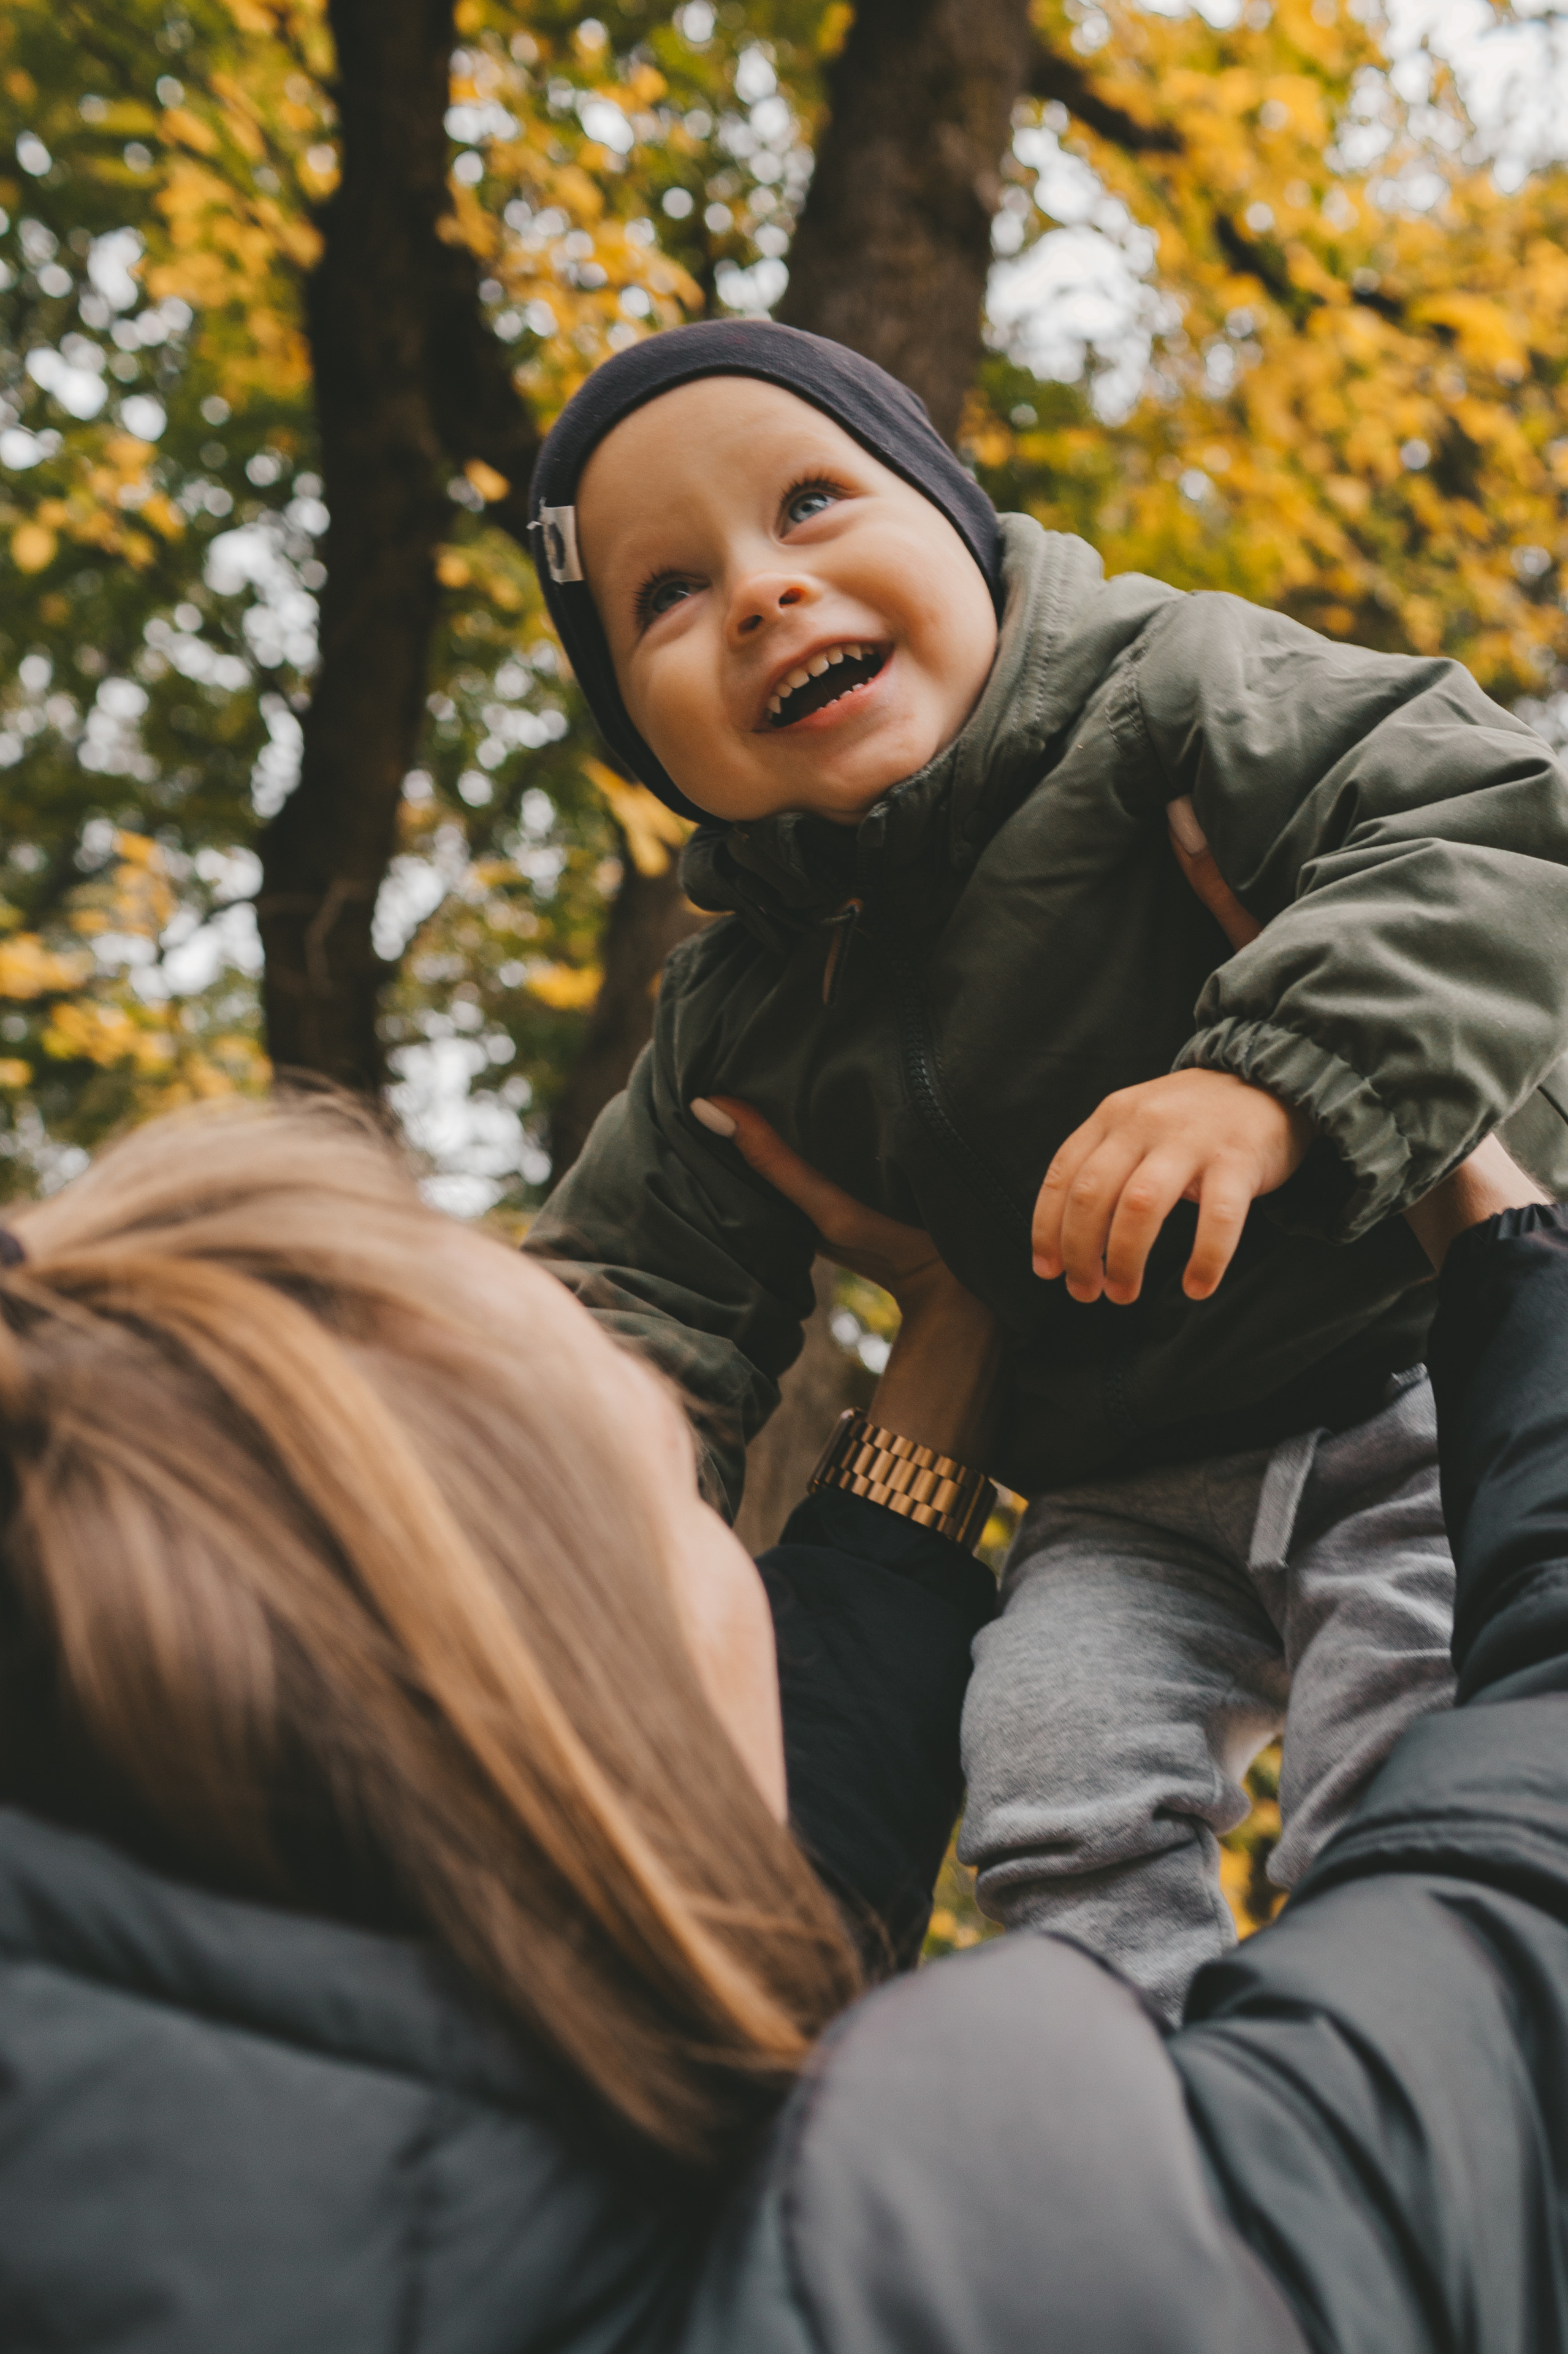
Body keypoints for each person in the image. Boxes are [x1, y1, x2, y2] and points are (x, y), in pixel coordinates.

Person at [1, 1094, 1568, 2354]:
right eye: (678, 1496)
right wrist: (1493, 1223)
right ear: (575, 1694)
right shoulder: (973, 2247)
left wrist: (953, 1317)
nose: (745, 1579)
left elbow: (787, 1845)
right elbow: (1517, 1921)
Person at [520, 316, 1568, 2014]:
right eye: (667, 595)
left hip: (1403, 1371)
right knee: (1046, 1770)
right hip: (1119, 1488)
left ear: (958, 520)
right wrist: (560, 1490)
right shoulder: (742, 1011)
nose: (763, 591)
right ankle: (1139, 2109)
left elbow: (1486, 821)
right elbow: (626, 1296)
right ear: (641, 740)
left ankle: (1418, 2063)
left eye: (808, 504)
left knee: (1411, 1741)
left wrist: (1266, 1082)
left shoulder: (1168, 694)